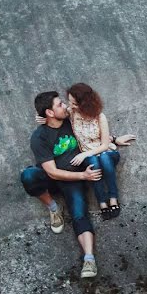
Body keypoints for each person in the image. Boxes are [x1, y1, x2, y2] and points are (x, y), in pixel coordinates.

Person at [20, 90, 103, 278]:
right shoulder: (39, 137)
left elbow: (93, 132)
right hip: (55, 178)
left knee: (79, 214)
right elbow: (52, 172)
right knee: (28, 175)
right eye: (59, 104)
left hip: (73, 179)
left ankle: (89, 260)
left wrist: (113, 140)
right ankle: (53, 207)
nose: (65, 106)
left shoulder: (71, 122)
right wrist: (84, 176)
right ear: (49, 113)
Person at [38, 83, 135, 220]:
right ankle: (102, 201)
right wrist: (41, 117)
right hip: (91, 156)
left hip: (104, 150)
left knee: (105, 158)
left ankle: (113, 197)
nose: (70, 106)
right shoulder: (72, 114)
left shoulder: (100, 117)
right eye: (69, 102)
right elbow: (51, 116)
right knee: (94, 162)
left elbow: (104, 144)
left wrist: (85, 153)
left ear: (85, 103)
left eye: (74, 103)